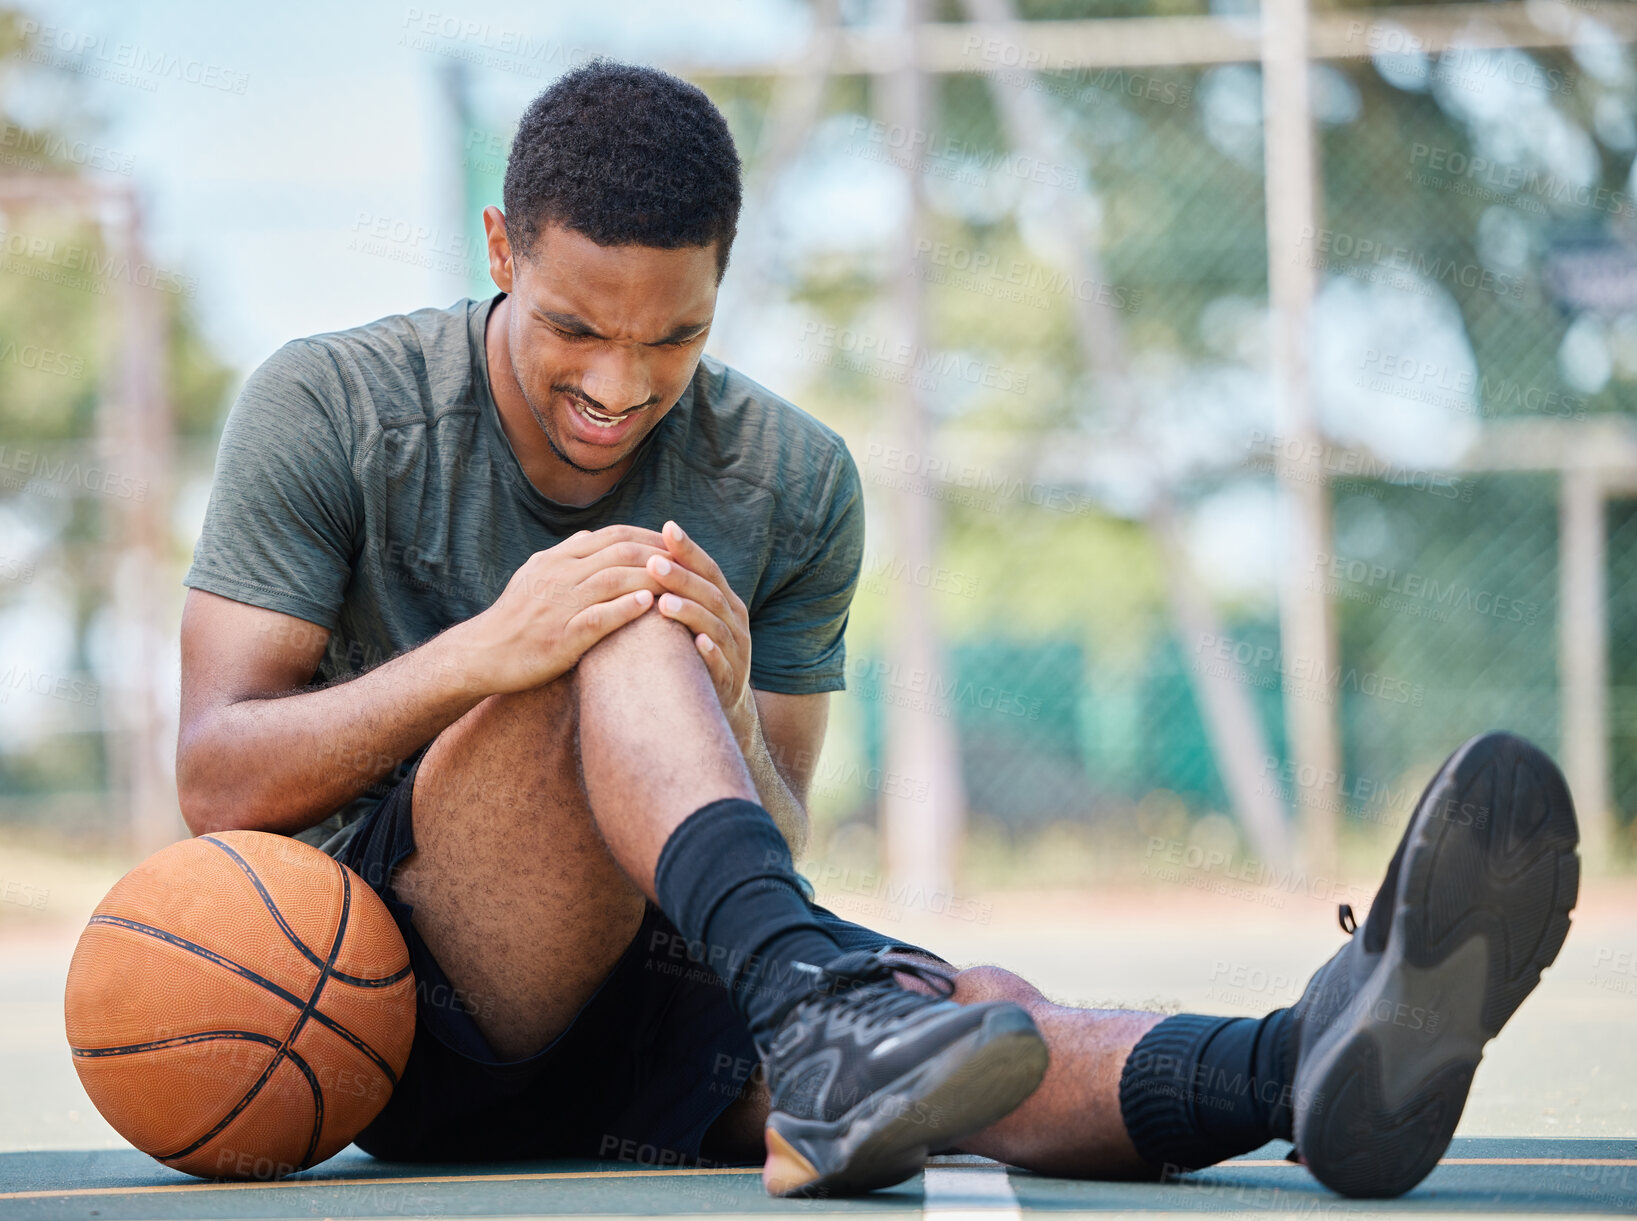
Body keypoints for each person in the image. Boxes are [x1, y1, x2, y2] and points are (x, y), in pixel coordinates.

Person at [176, 60, 1580, 1200]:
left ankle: (1303, 1058)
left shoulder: (791, 480)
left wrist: (720, 711)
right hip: (381, 999)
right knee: (620, 602)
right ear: (500, 247)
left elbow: (763, 835)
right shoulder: (334, 405)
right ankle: (822, 1007)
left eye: (672, 338)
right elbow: (216, 775)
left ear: (722, 279)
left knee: (964, 1025)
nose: (619, 382)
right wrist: (495, 648)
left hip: (647, 979)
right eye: (574, 329)